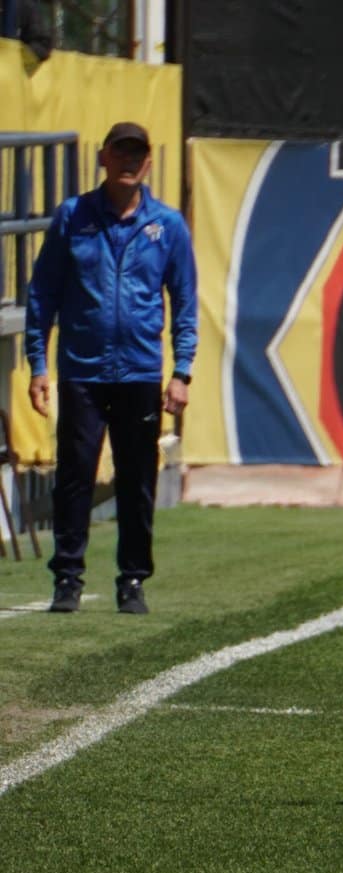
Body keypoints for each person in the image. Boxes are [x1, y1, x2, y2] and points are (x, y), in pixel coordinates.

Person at [26, 121, 197, 615]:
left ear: (148, 162)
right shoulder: (72, 217)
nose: (128, 161)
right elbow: (43, 294)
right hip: (81, 369)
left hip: (140, 371)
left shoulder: (168, 226)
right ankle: (68, 578)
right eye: (119, 152)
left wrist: (181, 371)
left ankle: (133, 581)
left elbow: (184, 301)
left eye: (137, 154)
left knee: (137, 478)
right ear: (102, 158)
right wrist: (39, 364)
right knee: (75, 475)